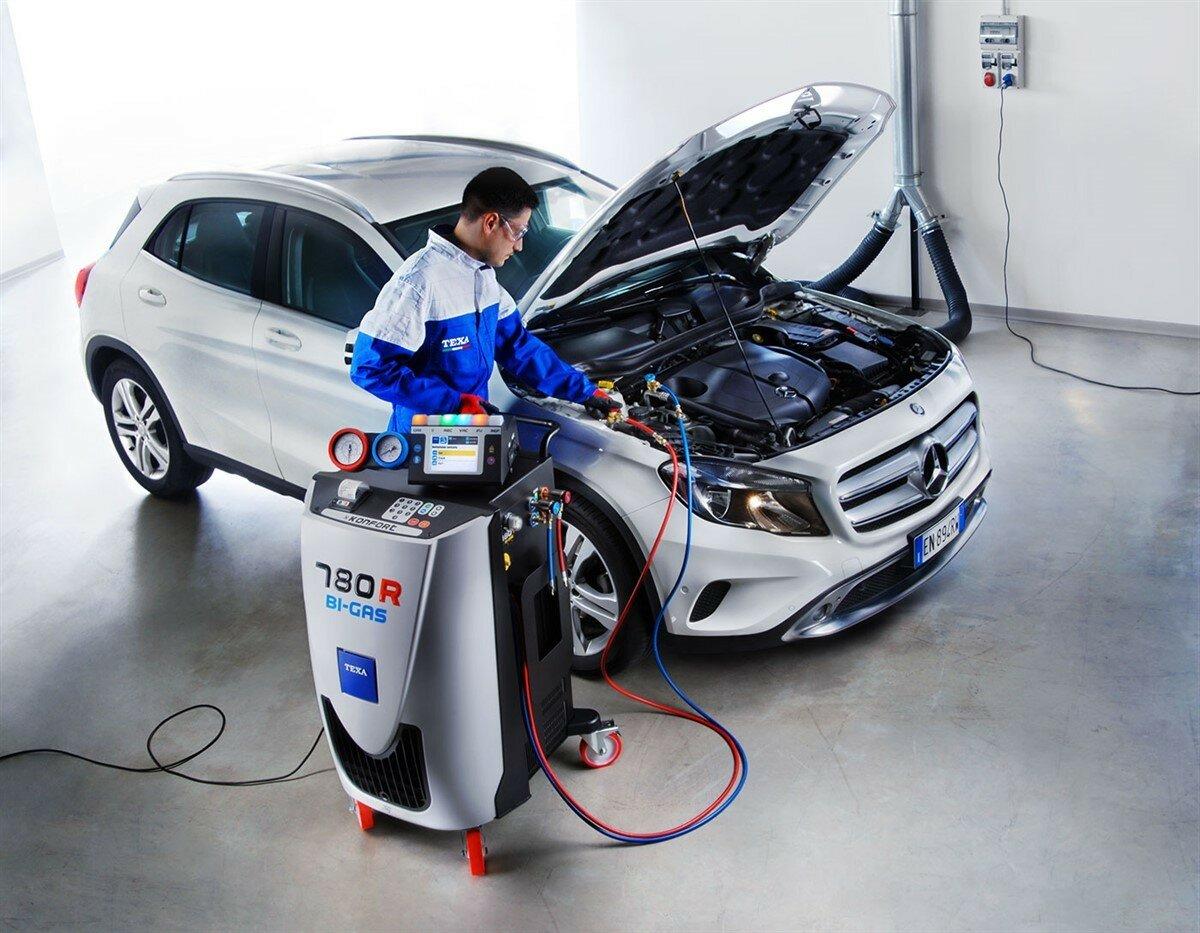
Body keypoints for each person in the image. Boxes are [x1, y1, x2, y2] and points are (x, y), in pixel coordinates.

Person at [350, 167, 618, 432]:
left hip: (474, 430)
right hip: (422, 440)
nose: (519, 246)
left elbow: (518, 347)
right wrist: (454, 404)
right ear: (490, 222)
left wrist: (584, 392)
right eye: (519, 232)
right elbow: (369, 368)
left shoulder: (483, 278)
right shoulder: (418, 283)